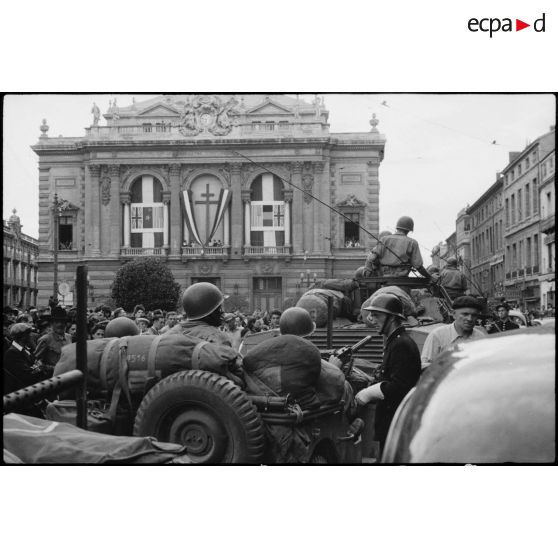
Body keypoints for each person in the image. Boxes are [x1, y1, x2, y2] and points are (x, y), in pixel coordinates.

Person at [353, 294, 422, 452]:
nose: (371, 319)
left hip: (396, 424)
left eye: (376, 315)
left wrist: (368, 393)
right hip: (392, 423)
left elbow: (400, 387)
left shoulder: (401, 344)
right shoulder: (395, 341)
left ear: (391, 318)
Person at [421, 296, 487, 369]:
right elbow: (425, 367)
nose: (469, 319)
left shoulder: (480, 337)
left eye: (474, 315)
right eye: (465, 314)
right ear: (453, 314)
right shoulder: (438, 335)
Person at [363, 216, 432, 281]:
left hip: (384, 278)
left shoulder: (384, 239)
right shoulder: (412, 242)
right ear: (409, 230)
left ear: (397, 228)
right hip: (402, 279)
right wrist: (430, 277)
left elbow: (372, 258)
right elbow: (418, 266)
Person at [165, 282, 231, 346]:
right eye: (218, 309)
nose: (222, 312)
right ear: (210, 311)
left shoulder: (168, 335)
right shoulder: (219, 338)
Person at [34, 306, 72, 375]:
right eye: (56, 322)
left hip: (68, 376)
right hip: (52, 378)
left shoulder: (69, 337)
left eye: (62, 322)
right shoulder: (45, 339)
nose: (60, 324)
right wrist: (51, 368)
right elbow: (36, 361)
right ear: (51, 323)